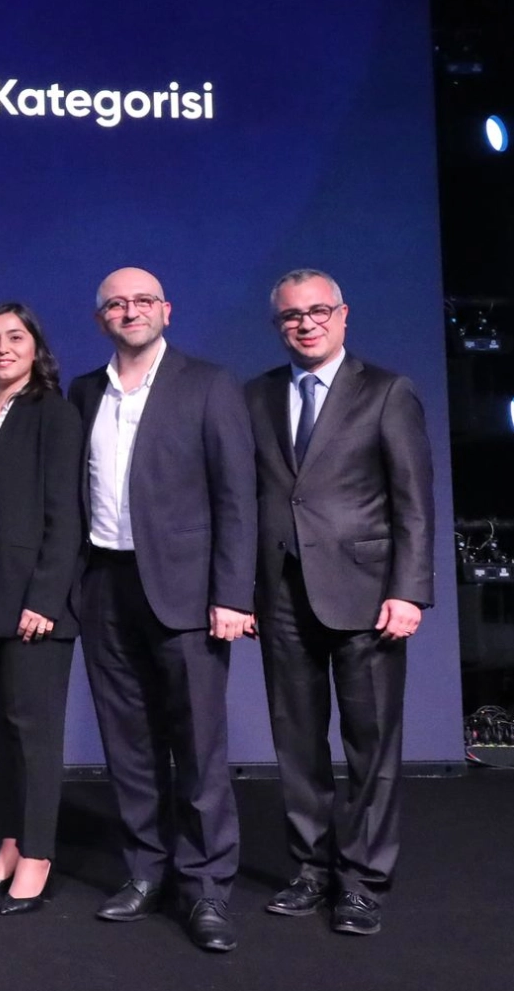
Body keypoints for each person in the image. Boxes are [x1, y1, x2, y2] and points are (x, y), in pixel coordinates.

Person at [67, 267, 255, 953]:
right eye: (116, 303)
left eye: (143, 300)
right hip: (105, 587)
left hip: (188, 594)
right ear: (101, 319)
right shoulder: (84, 392)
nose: (131, 311)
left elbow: (237, 496)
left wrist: (233, 595)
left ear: (166, 310)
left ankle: (205, 889)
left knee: (198, 748)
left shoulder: (209, 384)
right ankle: (146, 872)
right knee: (129, 746)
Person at [245, 269, 433, 936]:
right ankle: (310, 870)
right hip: (280, 594)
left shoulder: (386, 391)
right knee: (296, 743)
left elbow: (413, 501)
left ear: (343, 315)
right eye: (292, 315)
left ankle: (361, 881)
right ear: (278, 325)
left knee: (370, 744)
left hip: (368, 594)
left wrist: (409, 590)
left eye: (319, 311)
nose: (306, 323)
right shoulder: (256, 395)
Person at [0, 303, 83, 915]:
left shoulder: (53, 414)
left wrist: (45, 599)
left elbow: (67, 516)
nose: (2, 348)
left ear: (36, 346)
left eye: (15, 337)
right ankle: (10, 843)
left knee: (35, 735)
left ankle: (37, 855)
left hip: (34, 601)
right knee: (3, 730)